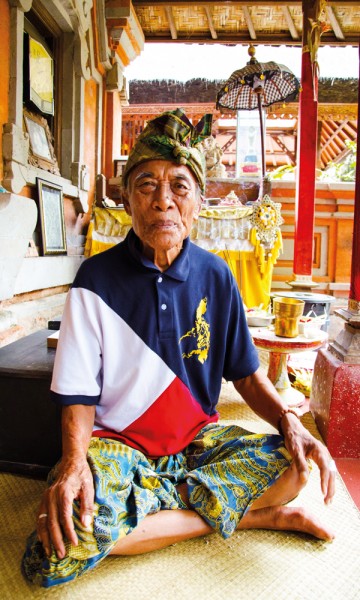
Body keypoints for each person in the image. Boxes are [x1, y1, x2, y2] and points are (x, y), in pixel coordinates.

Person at [22, 108, 335, 588]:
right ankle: (250, 516)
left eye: (180, 187)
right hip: (117, 447)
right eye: (146, 185)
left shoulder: (217, 277)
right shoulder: (94, 281)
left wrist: (290, 422)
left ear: (199, 201)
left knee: (295, 468)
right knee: (60, 546)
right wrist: (72, 465)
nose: (163, 201)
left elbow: (247, 376)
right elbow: (78, 396)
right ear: (126, 198)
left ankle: (158, 509)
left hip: (195, 445)